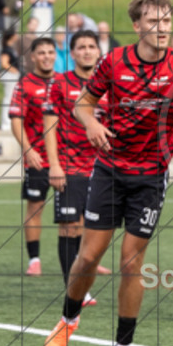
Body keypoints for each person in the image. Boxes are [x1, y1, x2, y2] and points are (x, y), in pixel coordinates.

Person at [42, 0, 173, 346]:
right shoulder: (115, 60)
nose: (162, 28)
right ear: (137, 26)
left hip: (151, 177)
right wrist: (91, 122)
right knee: (88, 256)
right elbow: (82, 104)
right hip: (110, 170)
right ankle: (68, 319)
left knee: (130, 261)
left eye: (167, 21)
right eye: (154, 21)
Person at [43, 30, 113, 305]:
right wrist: (54, 165)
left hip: (102, 169)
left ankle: (81, 282)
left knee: (93, 230)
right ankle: (73, 290)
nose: (86, 51)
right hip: (70, 167)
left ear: (98, 51)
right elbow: (49, 126)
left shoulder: (109, 85)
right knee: (69, 228)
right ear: (72, 53)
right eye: (81, 47)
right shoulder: (60, 83)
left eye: (91, 46)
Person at [9, 37, 57, 277]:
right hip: (38, 160)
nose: (46, 56)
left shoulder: (64, 81)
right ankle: (34, 260)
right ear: (34, 57)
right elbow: (16, 121)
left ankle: (84, 261)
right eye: (41, 52)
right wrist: (28, 150)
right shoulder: (25, 85)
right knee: (35, 209)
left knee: (79, 212)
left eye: (50, 52)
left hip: (68, 159)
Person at [0, 29, 21, 131]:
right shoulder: (6, 49)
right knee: (8, 98)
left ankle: (9, 121)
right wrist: (14, 70)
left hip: (13, 75)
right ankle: (5, 122)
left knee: (12, 98)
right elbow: (4, 63)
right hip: (9, 75)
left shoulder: (11, 48)